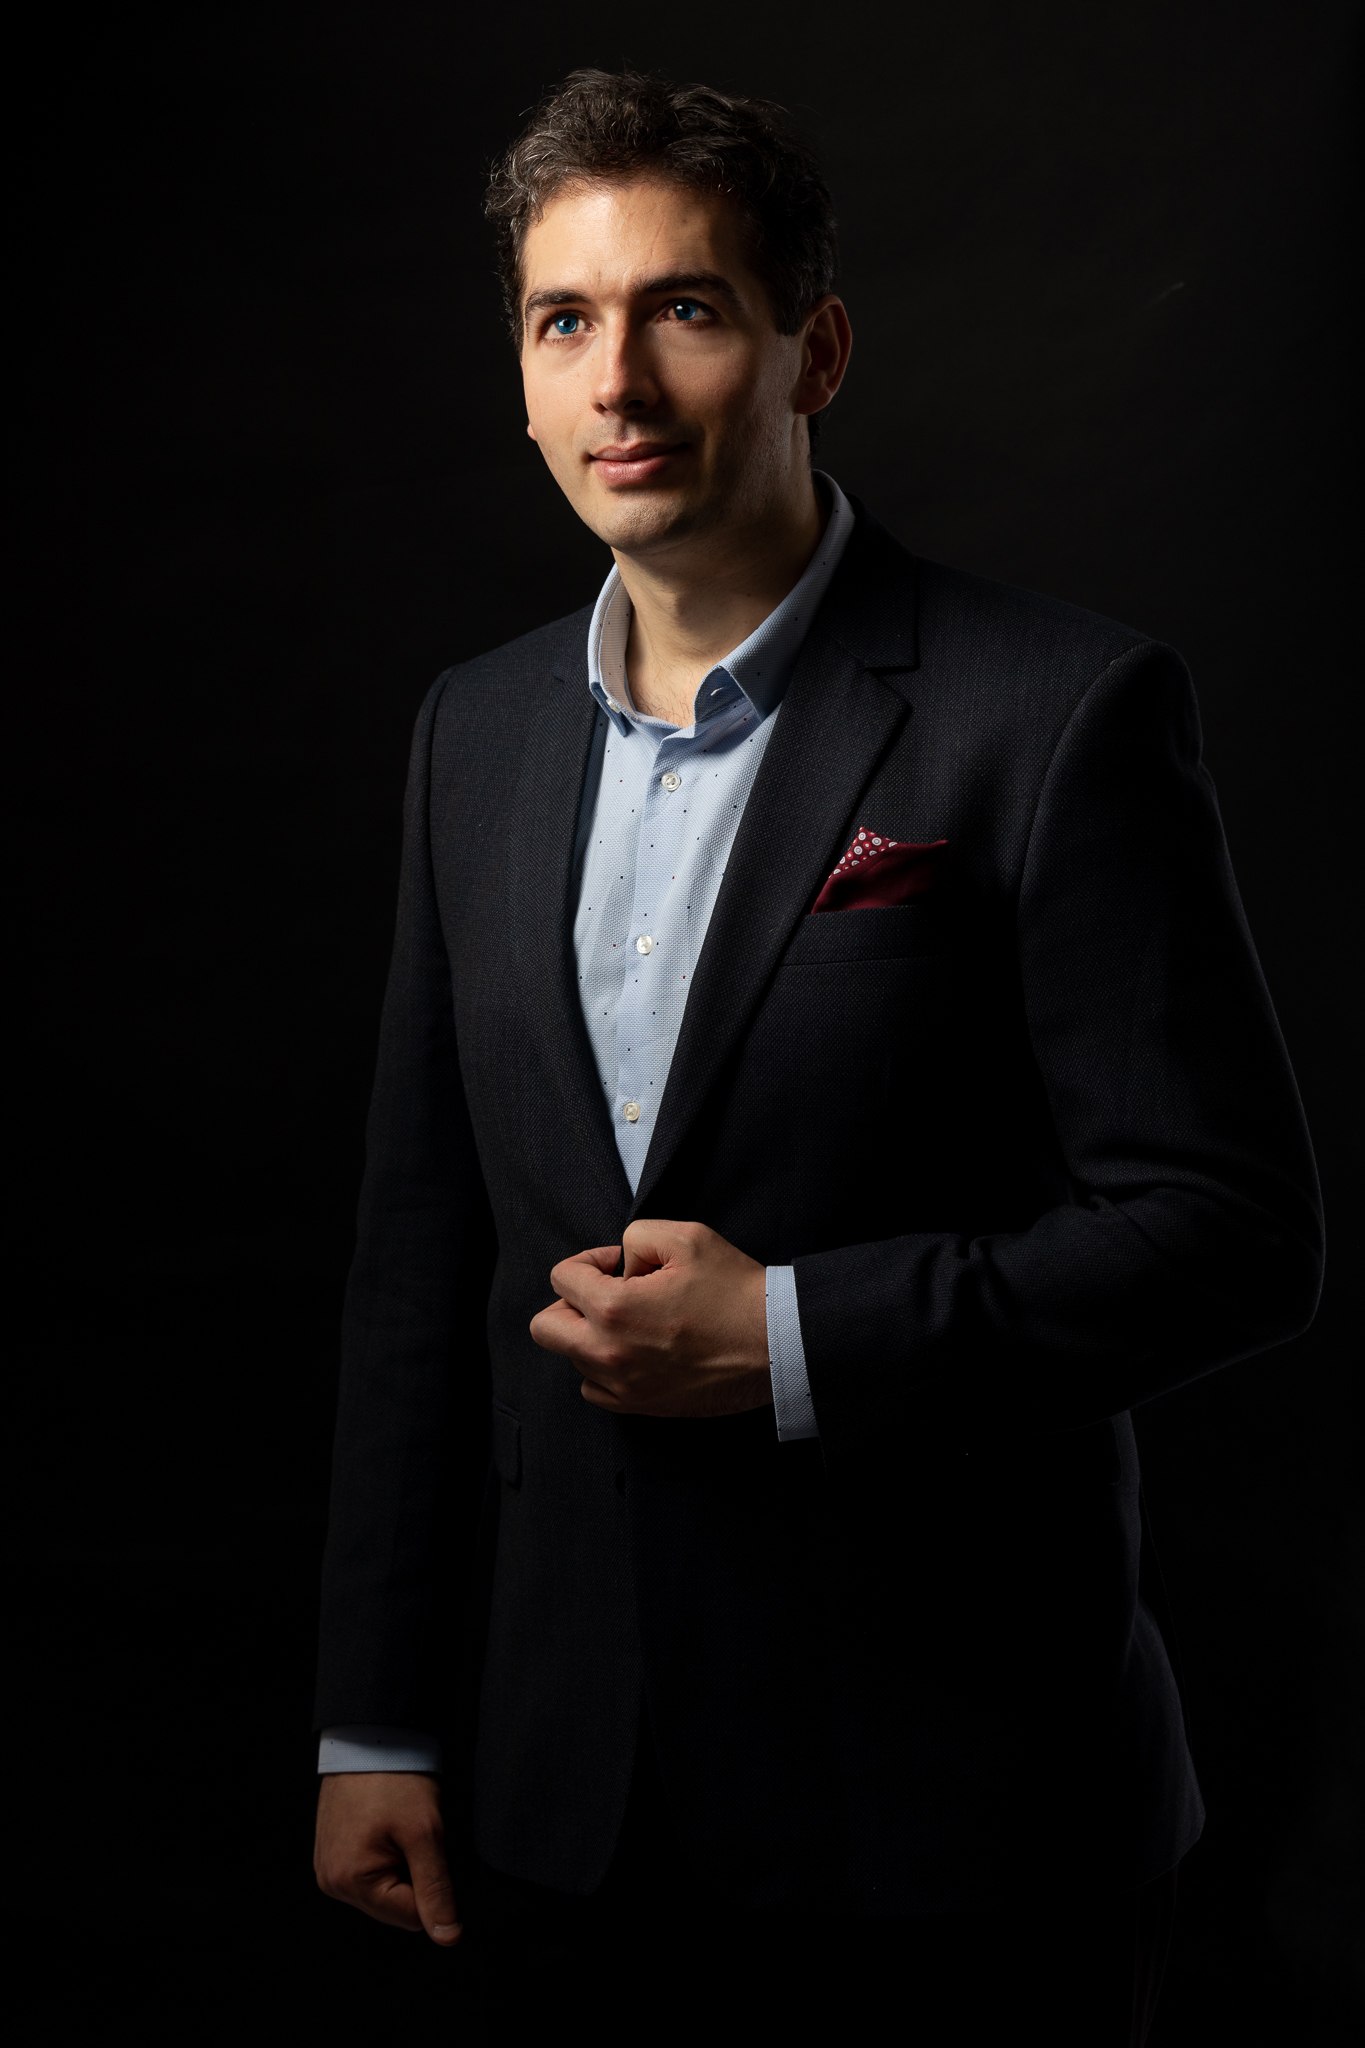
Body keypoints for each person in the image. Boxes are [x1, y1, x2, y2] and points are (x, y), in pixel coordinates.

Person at [311, 69, 1321, 2042]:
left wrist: (787, 1336)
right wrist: (373, 1713)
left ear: (813, 349)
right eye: (560, 320)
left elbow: (1226, 1229)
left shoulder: (1056, 710)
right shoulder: (474, 732)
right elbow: (415, 1268)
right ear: (518, 372)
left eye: (682, 308)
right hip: (564, 1807)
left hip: (959, 1817)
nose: (618, 380)